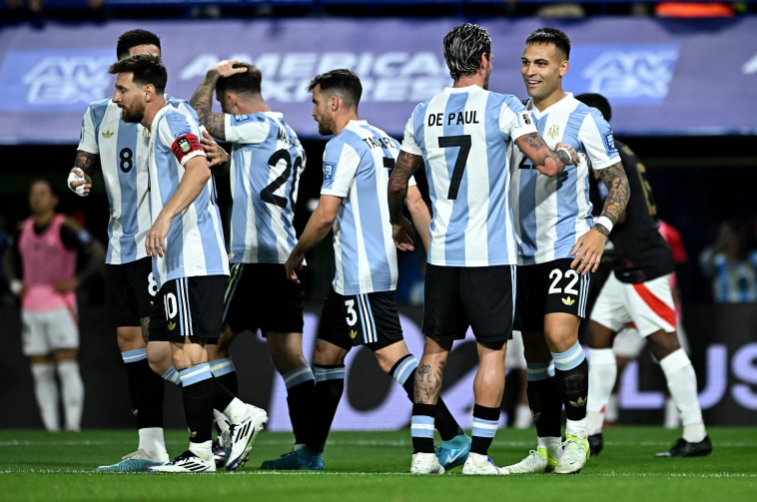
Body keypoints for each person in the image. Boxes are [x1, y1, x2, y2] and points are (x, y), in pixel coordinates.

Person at [388, 23, 579, 476]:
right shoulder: (503, 106)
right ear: (485, 60)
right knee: (491, 353)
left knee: (433, 353)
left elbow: (398, 181)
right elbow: (547, 164)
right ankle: (477, 456)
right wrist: (567, 155)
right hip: (490, 256)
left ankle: (422, 454)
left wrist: (397, 219)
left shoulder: (423, 112)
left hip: (442, 256)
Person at [281, 68, 470, 471]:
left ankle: (454, 436)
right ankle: (309, 452)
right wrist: (435, 257)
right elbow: (415, 203)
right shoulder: (387, 140)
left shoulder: (342, 145)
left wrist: (296, 254)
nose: (313, 112)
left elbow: (325, 215)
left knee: (392, 359)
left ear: (334, 102)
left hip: (361, 276)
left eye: (316, 103)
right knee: (326, 356)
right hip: (356, 277)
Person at [68, 29, 230, 472]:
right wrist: (78, 176)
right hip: (119, 242)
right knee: (136, 344)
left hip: (158, 244)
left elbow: (203, 162)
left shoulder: (171, 112)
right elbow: (84, 160)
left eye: (157, 58)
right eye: (143, 59)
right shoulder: (101, 113)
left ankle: (225, 420)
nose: (154, 65)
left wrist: (220, 157)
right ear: (125, 64)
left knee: (167, 349)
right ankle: (153, 446)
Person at [107, 54, 266, 473]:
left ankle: (199, 453)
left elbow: (198, 170)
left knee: (187, 354)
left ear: (148, 91)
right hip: (174, 261)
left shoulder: (168, 120)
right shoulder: (162, 124)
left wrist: (164, 217)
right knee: (160, 355)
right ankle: (238, 413)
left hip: (192, 256)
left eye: (122, 90)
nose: (116, 98)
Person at [504, 28, 630, 475]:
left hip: (566, 245)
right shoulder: (511, 114)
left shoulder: (584, 117)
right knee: (535, 353)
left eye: (541, 63)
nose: (530, 71)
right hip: (519, 253)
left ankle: (578, 436)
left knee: (560, 335)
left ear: (563, 67)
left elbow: (618, 182)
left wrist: (600, 229)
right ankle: (546, 447)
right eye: (525, 62)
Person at [189, 59, 312, 464]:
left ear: (232, 102)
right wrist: (233, 161)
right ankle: (308, 449)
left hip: (253, 256)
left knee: (209, 345)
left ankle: (231, 432)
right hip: (287, 258)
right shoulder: (290, 135)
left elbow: (196, 118)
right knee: (289, 356)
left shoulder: (253, 124)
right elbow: (264, 181)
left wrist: (210, 77)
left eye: (224, 104)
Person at [577, 92, 711, 458]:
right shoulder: (619, 149)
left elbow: (618, 211)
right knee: (598, 334)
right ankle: (591, 431)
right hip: (628, 264)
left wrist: (589, 231)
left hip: (642, 264)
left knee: (665, 343)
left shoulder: (605, 155)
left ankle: (696, 434)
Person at [2, 180, 104, 432]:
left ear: (54, 199)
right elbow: (7, 256)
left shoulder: (65, 227)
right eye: (33, 194)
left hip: (60, 305)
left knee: (66, 366)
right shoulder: (22, 229)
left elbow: (96, 252)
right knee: (40, 371)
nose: (36, 198)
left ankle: (72, 425)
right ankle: (51, 429)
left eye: (42, 193)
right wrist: (14, 283)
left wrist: (77, 281)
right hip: (31, 306)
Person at [699, 221, 757, 303]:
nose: (736, 240)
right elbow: (704, 261)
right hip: (725, 308)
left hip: (752, 308)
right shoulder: (718, 261)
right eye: (732, 238)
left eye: (739, 237)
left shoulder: (753, 258)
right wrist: (720, 243)